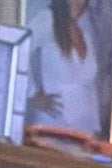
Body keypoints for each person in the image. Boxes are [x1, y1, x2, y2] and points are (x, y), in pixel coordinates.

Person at [26, 0, 101, 137]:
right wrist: (33, 94)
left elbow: (90, 87)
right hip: (54, 124)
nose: (79, 2)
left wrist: (95, 127)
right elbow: (20, 47)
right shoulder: (47, 20)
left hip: (85, 129)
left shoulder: (85, 31)